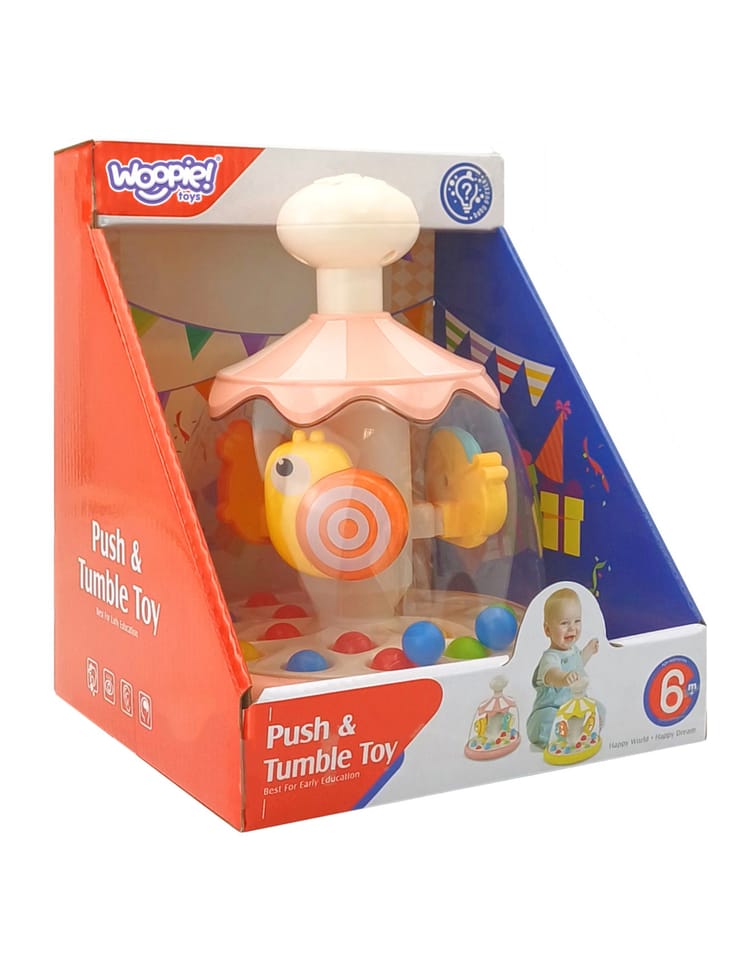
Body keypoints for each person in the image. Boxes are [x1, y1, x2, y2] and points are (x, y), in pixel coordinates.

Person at [526, 587, 603, 747]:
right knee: (546, 719)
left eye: (577, 621)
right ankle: (552, 737)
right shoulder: (550, 657)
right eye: (564, 623)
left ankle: (579, 730)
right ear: (548, 630)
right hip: (554, 708)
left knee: (598, 709)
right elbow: (551, 674)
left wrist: (588, 651)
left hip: (575, 706)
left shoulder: (573, 650)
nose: (572, 628)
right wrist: (563, 678)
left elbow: (577, 664)